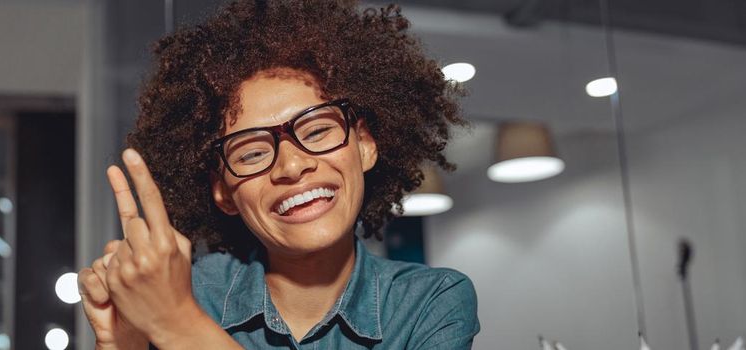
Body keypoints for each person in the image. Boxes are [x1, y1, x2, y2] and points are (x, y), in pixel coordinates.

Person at [77, 0, 479, 348]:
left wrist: (176, 325)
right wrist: (124, 344)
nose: (291, 165)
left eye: (318, 130)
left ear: (365, 145)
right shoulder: (185, 291)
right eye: (251, 153)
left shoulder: (429, 301)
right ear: (224, 192)